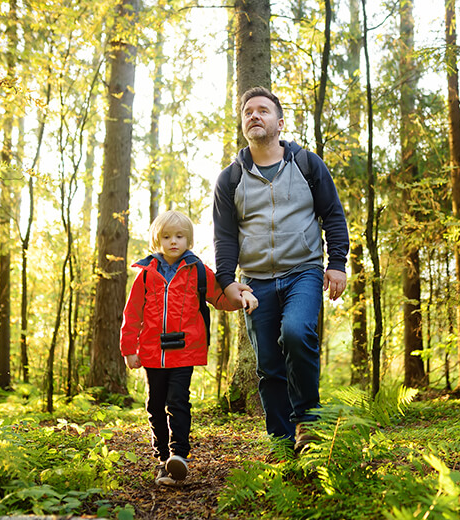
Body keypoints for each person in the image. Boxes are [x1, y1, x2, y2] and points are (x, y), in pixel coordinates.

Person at [213, 87, 349, 453]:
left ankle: (307, 423)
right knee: (268, 365)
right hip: (255, 281)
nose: (254, 116)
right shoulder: (230, 179)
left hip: (302, 271)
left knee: (296, 332)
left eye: (263, 111)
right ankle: (280, 443)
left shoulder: (307, 164)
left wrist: (337, 264)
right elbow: (224, 237)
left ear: (280, 122)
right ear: (243, 124)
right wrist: (227, 281)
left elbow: (333, 215)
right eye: (248, 112)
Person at [120, 210, 257, 486]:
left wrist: (240, 295)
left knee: (178, 401)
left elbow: (220, 296)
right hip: (152, 353)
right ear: (157, 240)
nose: (173, 242)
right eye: (167, 237)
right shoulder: (145, 275)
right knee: (155, 404)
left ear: (189, 240)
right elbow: (132, 314)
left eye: (179, 236)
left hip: (185, 351)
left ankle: (179, 455)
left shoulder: (198, 271)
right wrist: (128, 349)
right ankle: (162, 461)